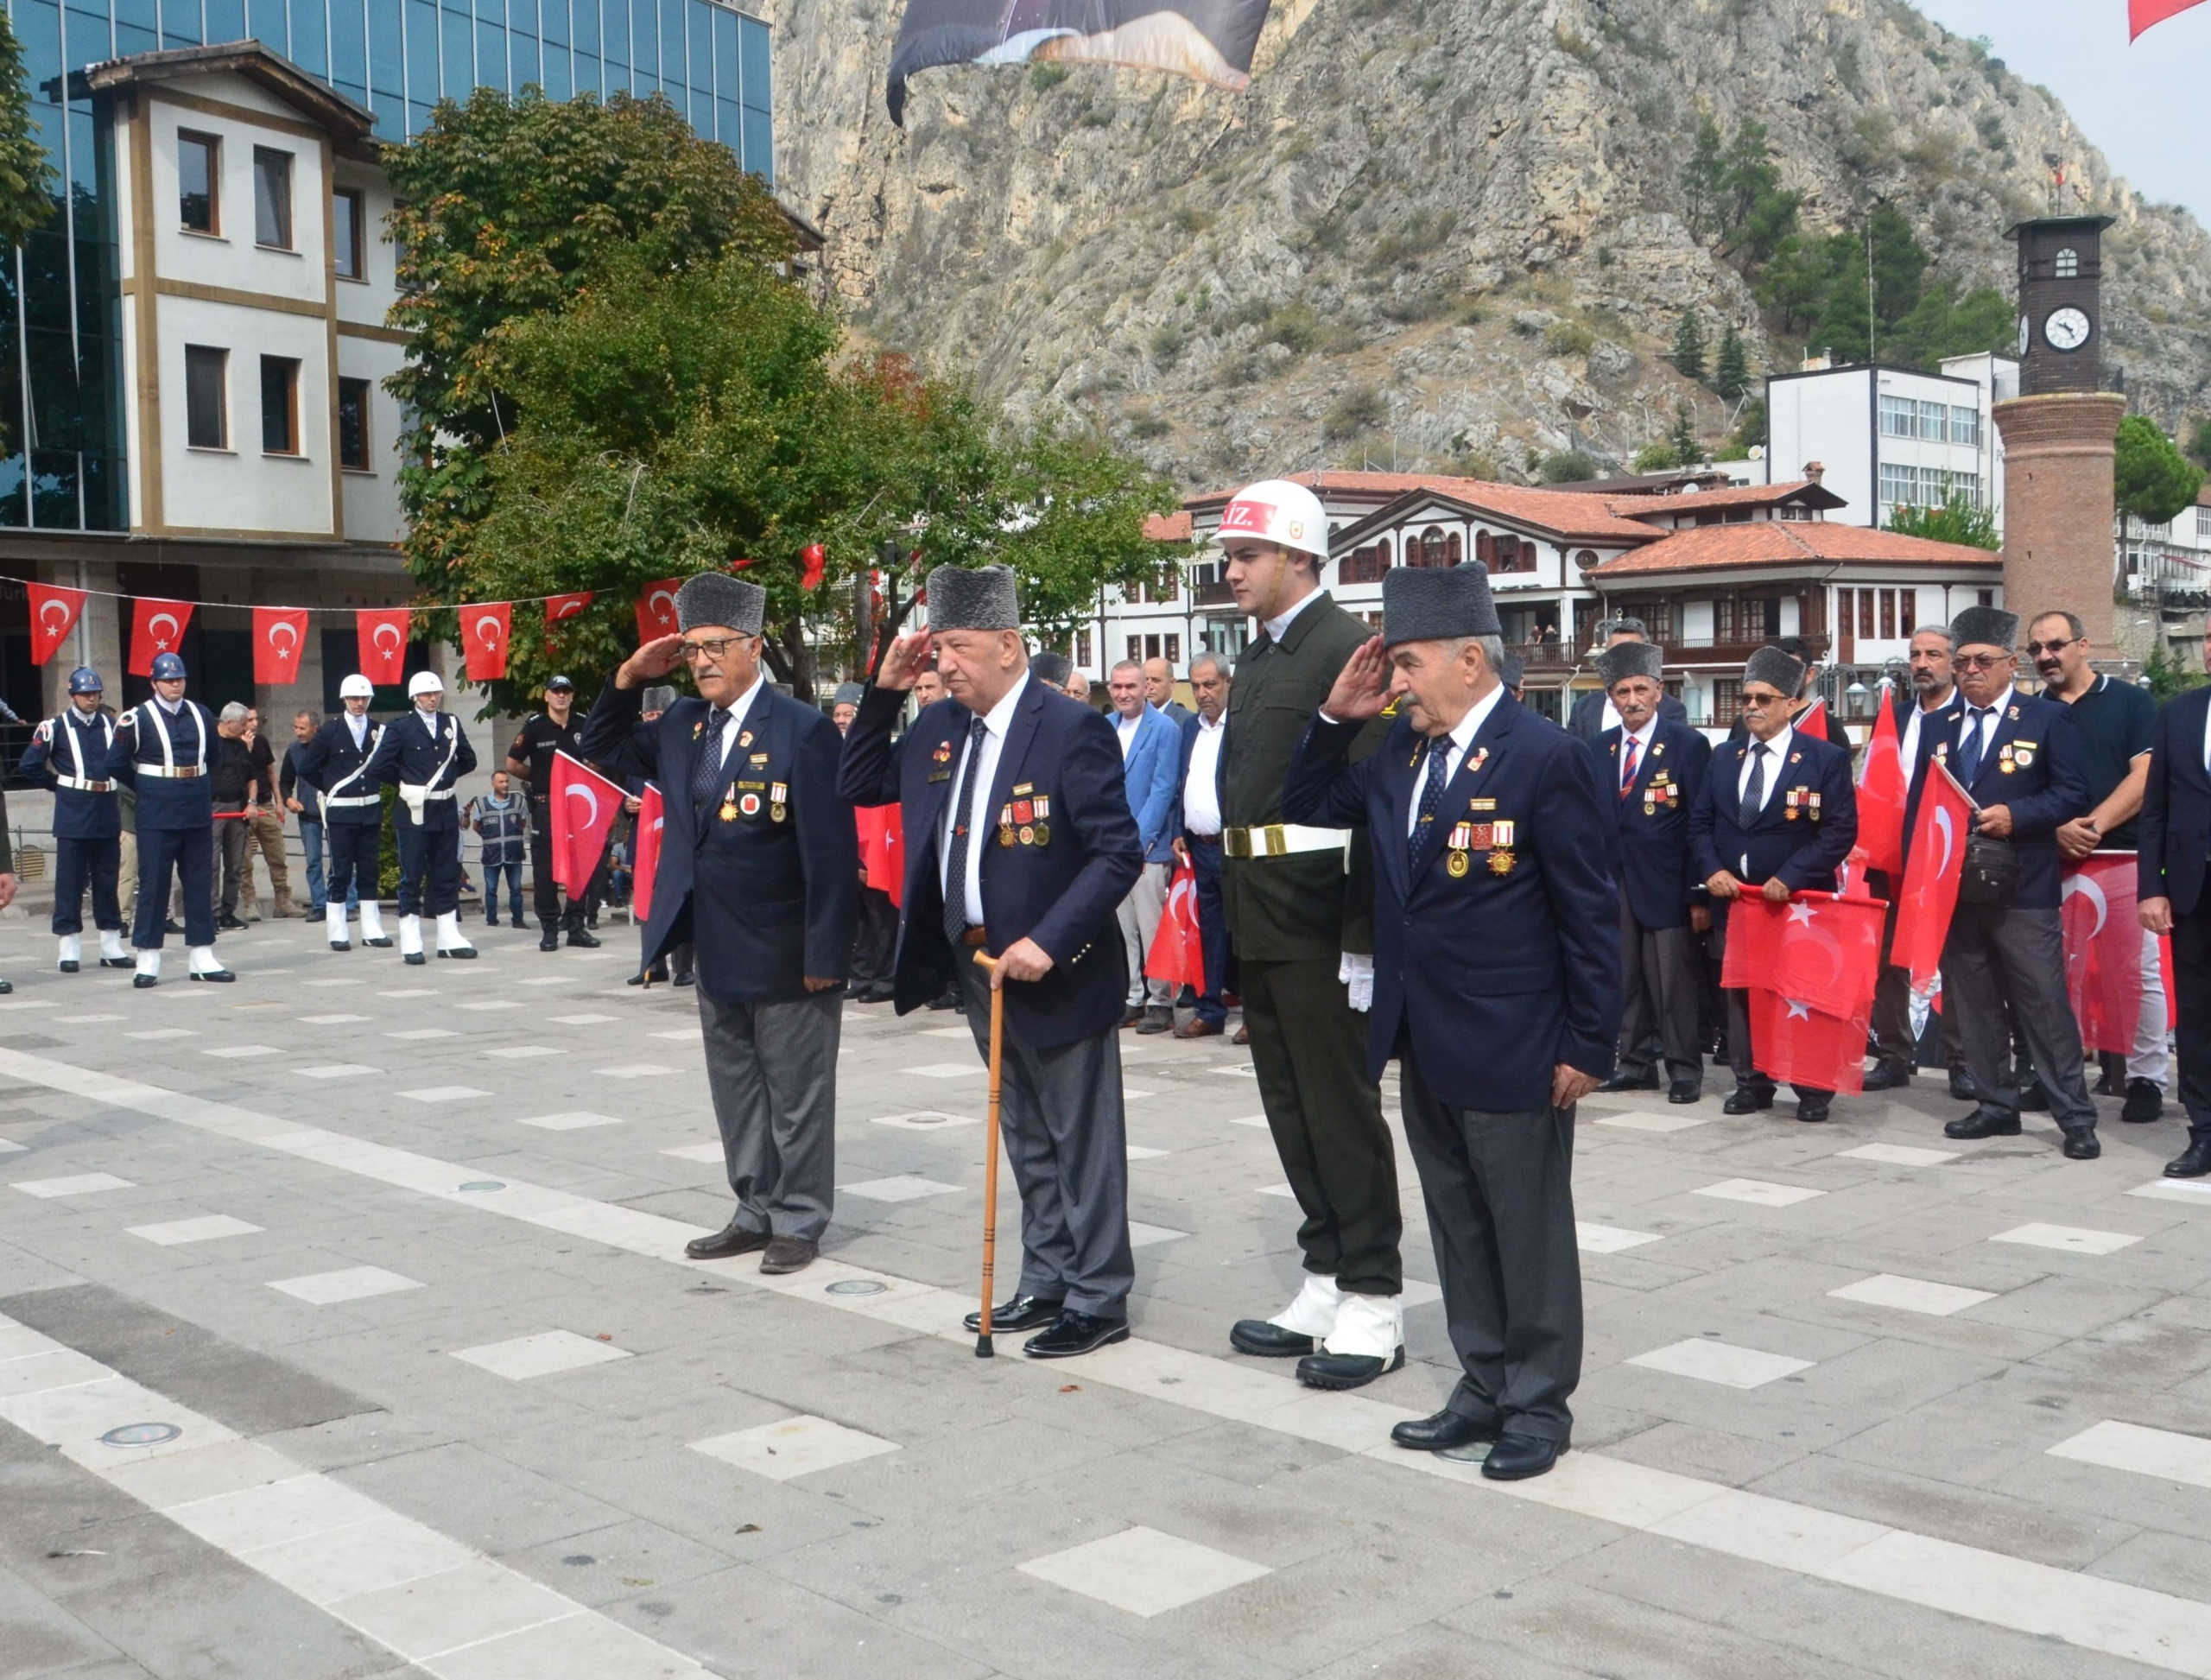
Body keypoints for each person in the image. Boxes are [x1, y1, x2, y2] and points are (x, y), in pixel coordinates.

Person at [1283, 563, 1619, 1480]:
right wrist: (1336, 718)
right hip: (1423, 1038)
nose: (1397, 684)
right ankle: (1482, 1382)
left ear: (1470, 660)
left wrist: (1589, 1043)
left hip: (1516, 1044)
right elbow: (1305, 805)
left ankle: (1537, 1404)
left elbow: (1591, 913)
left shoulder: (1544, 756)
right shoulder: (1400, 753)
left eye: (1408, 664)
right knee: (1459, 1226)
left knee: (1526, 1232)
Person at [839, 563, 1143, 1358]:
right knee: (1026, 1134)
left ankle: (1098, 1294)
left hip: (1056, 967)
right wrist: (885, 689)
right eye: (938, 649)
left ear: (1009, 645)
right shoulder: (941, 727)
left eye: (959, 648)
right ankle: (1048, 1277)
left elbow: (1117, 851)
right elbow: (858, 780)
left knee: (1081, 1140)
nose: (944, 664)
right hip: (978, 966)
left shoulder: (1067, 727)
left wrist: (1051, 939)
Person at [586, 574, 856, 1273]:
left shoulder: (802, 728)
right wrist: (628, 677)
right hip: (715, 942)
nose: (702, 661)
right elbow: (602, 745)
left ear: (754, 647)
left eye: (716, 646)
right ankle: (754, 1208)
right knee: (737, 1090)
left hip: (789, 947)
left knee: (796, 1095)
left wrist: (826, 952)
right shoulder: (683, 724)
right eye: (692, 649)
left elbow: (831, 853)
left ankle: (799, 1217)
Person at [1213, 479, 1403, 1392]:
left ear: (1298, 555)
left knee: (1338, 1110)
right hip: (1259, 910)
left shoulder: (1344, 648)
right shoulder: (1259, 655)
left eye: (1246, 555)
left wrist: (1363, 940)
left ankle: (1373, 1294)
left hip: (1322, 917)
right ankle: (1326, 1275)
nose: (1232, 571)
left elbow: (1369, 807)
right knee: (1289, 1108)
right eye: (1229, 556)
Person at [1934, 607, 2100, 1158]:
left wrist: (2018, 815)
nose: (1971, 671)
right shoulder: (1939, 726)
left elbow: (2073, 793)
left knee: (2043, 1004)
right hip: (1959, 890)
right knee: (1975, 1002)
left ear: (2010, 663)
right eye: (1962, 662)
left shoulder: (2045, 718)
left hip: (2023, 887)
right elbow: (1921, 807)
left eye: (1983, 661)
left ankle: (2074, 1117)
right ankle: (1995, 1104)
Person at [1691, 644, 1857, 1122]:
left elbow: (1840, 830)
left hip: (1797, 902)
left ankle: (1811, 1088)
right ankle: (1752, 1082)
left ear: (1791, 703)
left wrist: (1791, 875)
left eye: (1764, 699)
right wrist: (1712, 870)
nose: (1752, 707)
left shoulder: (1824, 758)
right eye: (1746, 698)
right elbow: (1699, 823)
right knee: (1743, 993)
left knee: (1802, 994)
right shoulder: (1724, 757)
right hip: (1737, 901)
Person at [2033, 609, 2165, 1124]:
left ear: (2083, 645)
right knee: (2052, 976)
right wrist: (2054, 832)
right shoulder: (2030, 712)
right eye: (2036, 649)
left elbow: (2146, 776)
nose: (2046, 656)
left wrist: (2091, 826)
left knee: (2134, 974)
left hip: (2123, 856)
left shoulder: (2131, 701)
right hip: (2052, 860)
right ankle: (2058, 1077)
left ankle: (2146, 1079)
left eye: (2056, 645)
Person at [1593, 641, 1713, 1103]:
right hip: (1616, 883)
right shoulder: (1599, 748)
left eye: (1641, 689)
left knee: (1673, 983)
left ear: (1659, 691)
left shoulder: (1687, 745)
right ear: (1611, 697)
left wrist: (1698, 893)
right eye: (1622, 691)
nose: (1632, 700)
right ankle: (1635, 1064)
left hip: (1669, 885)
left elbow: (1700, 823)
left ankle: (1684, 1069)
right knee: (1624, 979)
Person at [1866, 630, 1971, 1095]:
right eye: (1915, 655)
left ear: (1954, 662)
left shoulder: (1966, 717)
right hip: (1891, 858)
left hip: (1945, 857)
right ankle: (1893, 1055)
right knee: (1888, 961)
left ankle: (1963, 1061)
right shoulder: (1896, 716)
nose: (1922, 663)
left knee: (1954, 960)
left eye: (1933, 654)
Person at [2137, 619, 2211, 1179]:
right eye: (2209, 638)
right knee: (2199, 1017)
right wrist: (2152, 887)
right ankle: (2204, 1131)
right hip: (2191, 890)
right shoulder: (2179, 713)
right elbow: (2155, 810)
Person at [108, 651, 231, 986]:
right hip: (157, 810)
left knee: (199, 882)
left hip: (195, 807)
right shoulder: (137, 718)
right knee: (154, 884)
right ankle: (148, 958)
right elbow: (116, 763)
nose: (175, 684)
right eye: (168, 679)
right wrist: (146, 787)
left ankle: (202, 955)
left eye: (179, 679)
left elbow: (214, 757)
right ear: (154, 683)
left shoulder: (201, 714)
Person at [19, 666, 128, 973]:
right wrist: (58, 785)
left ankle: (111, 945)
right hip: (73, 812)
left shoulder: (111, 725)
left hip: (106, 808)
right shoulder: (55, 727)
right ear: (72, 696)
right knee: (70, 881)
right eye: (85, 694)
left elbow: (125, 761)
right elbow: (29, 764)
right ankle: (68, 948)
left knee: (107, 879)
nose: (91, 699)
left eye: (95, 694)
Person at [367, 669, 478, 965]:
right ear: (415, 697)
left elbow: (468, 759)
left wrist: (446, 779)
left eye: (436, 693)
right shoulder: (401, 728)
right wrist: (408, 783)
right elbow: (379, 766)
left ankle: (449, 937)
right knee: (412, 875)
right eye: (427, 694)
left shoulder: (450, 723)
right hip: (414, 810)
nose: (432, 698)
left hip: (444, 809)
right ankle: (411, 938)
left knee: (447, 874)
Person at [1106, 658, 1181, 1031]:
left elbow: (1163, 788)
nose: (1124, 693)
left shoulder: (1165, 729)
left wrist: (1138, 842)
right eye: (1117, 687)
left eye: (1131, 686)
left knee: (1152, 929)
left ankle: (1161, 1000)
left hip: (1147, 849)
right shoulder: (1104, 726)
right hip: (1111, 848)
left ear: (1145, 688)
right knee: (1126, 930)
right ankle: (1134, 996)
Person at [506, 675, 603, 952]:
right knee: (545, 868)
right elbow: (512, 763)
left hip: (577, 807)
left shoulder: (584, 724)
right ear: (546, 696)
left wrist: (586, 772)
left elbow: (599, 758)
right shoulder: (535, 727)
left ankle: (576, 925)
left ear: (572, 696)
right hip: (546, 805)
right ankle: (549, 928)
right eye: (556, 691)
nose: (561, 696)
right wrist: (541, 778)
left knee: (578, 865)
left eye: (565, 691)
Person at [295, 675, 390, 951]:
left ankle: (372, 929)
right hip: (341, 812)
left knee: (369, 870)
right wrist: (331, 787)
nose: (359, 703)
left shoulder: (378, 730)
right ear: (344, 700)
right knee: (341, 870)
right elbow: (308, 767)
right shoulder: (330, 731)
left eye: (364, 698)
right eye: (354, 698)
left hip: (370, 809)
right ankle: (337, 931)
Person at [1172, 650, 1232, 1038]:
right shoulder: (1190, 730)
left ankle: (1257, 1012)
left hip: (1234, 846)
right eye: (1195, 686)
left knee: (1243, 933)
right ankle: (1210, 1009)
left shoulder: (1238, 728)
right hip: (1199, 848)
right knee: (1208, 932)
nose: (1202, 693)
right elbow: (1183, 783)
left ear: (1228, 683)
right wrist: (1178, 829)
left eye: (1210, 684)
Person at [837, 681, 898, 1003]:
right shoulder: (829, 750)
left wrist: (871, 855)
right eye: (837, 714)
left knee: (880, 918)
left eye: (848, 714)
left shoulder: (875, 754)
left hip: (877, 847)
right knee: (859, 920)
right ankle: (861, 978)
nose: (841, 720)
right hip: (849, 848)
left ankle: (886, 979)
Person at [1568, 618, 1688, 745]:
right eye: (1615, 654)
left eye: (1631, 653)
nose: (1624, 660)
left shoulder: (1672, 709)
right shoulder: (1583, 708)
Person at [237, 707, 293, 922]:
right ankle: (250, 903)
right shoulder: (233, 744)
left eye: (256, 719)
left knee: (277, 855)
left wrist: (279, 800)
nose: (254, 723)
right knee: (245, 861)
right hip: (242, 808)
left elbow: (271, 771)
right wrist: (245, 749)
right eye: (249, 720)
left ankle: (283, 901)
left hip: (265, 804)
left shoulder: (262, 741)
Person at [207, 703, 258, 933]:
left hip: (238, 808)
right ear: (229, 723)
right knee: (211, 864)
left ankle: (228, 911)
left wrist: (252, 803)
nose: (247, 727)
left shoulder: (240, 746)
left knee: (235, 864)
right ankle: (212, 913)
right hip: (213, 807)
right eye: (243, 723)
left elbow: (252, 778)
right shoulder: (209, 743)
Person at [469, 770, 529, 927]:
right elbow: (476, 826)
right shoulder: (482, 804)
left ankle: (518, 920)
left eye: (506, 781)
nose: (505, 784)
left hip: (513, 853)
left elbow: (522, 823)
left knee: (516, 889)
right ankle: (491, 920)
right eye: (501, 782)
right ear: (493, 784)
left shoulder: (519, 801)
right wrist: (490, 838)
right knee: (491, 889)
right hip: (492, 854)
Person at [1144, 656, 1194, 726]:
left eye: (1156, 680)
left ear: (1172, 683)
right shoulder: (1133, 719)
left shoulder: (1187, 721)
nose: (1149, 687)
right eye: (1145, 680)